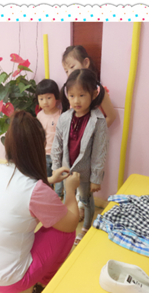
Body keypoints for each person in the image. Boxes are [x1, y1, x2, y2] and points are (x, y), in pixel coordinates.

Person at [0, 111, 80, 293]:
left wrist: (49, 179)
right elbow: (70, 223)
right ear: (39, 148)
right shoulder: (36, 191)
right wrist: (70, 190)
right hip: (9, 281)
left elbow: (19, 191)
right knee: (64, 231)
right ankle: (45, 283)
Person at [51, 68, 109, 243]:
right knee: (68, 196)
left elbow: (99, 151)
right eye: (72, 95)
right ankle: (69, 220)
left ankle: (86, 227)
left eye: (82, 95)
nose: (76, 100)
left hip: (86, 173)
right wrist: (55, 167)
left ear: (93, 94)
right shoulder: (64, 117)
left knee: (86, 199)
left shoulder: (98, 120)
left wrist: (95, 178)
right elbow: (57, 144)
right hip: (66, 169)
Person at [36, 78, 63, 198]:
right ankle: (48, 196)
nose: (45, 102)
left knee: (59, 178)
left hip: (58, 154)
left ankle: (58, 196)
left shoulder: (61, 115)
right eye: (41, 99)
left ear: (56, 97)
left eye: (48, 98)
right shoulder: (39, 115)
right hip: (44, 153)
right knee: (46, 176)